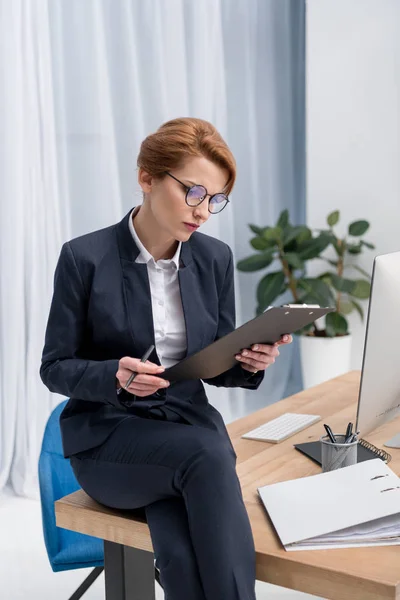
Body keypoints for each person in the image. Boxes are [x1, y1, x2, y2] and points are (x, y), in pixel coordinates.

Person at [40, 117, 292, 600]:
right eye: (194, 192)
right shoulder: (84, 258)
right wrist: (114, 376)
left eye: (215, 200)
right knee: (207, 456)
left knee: (179, 540)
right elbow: (54, 367)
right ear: (147, 178)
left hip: (184, 432)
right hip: (109, 439)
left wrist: (250, 361)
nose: (203, 211)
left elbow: (217, 358)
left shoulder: (213, 259)